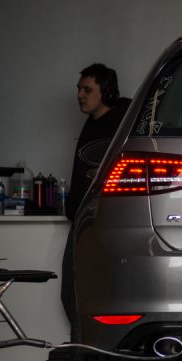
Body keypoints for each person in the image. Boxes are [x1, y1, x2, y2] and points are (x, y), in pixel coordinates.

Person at [61, 63, 131, 341]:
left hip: (103, 222)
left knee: (99, 294)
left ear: (108, 93)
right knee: (72, 292)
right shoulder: (92, 122)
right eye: (79, 89)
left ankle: (92, 351)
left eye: (87, 89)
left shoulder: (121, 122)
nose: (80, 95)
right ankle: (83, 348)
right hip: (81, 221)